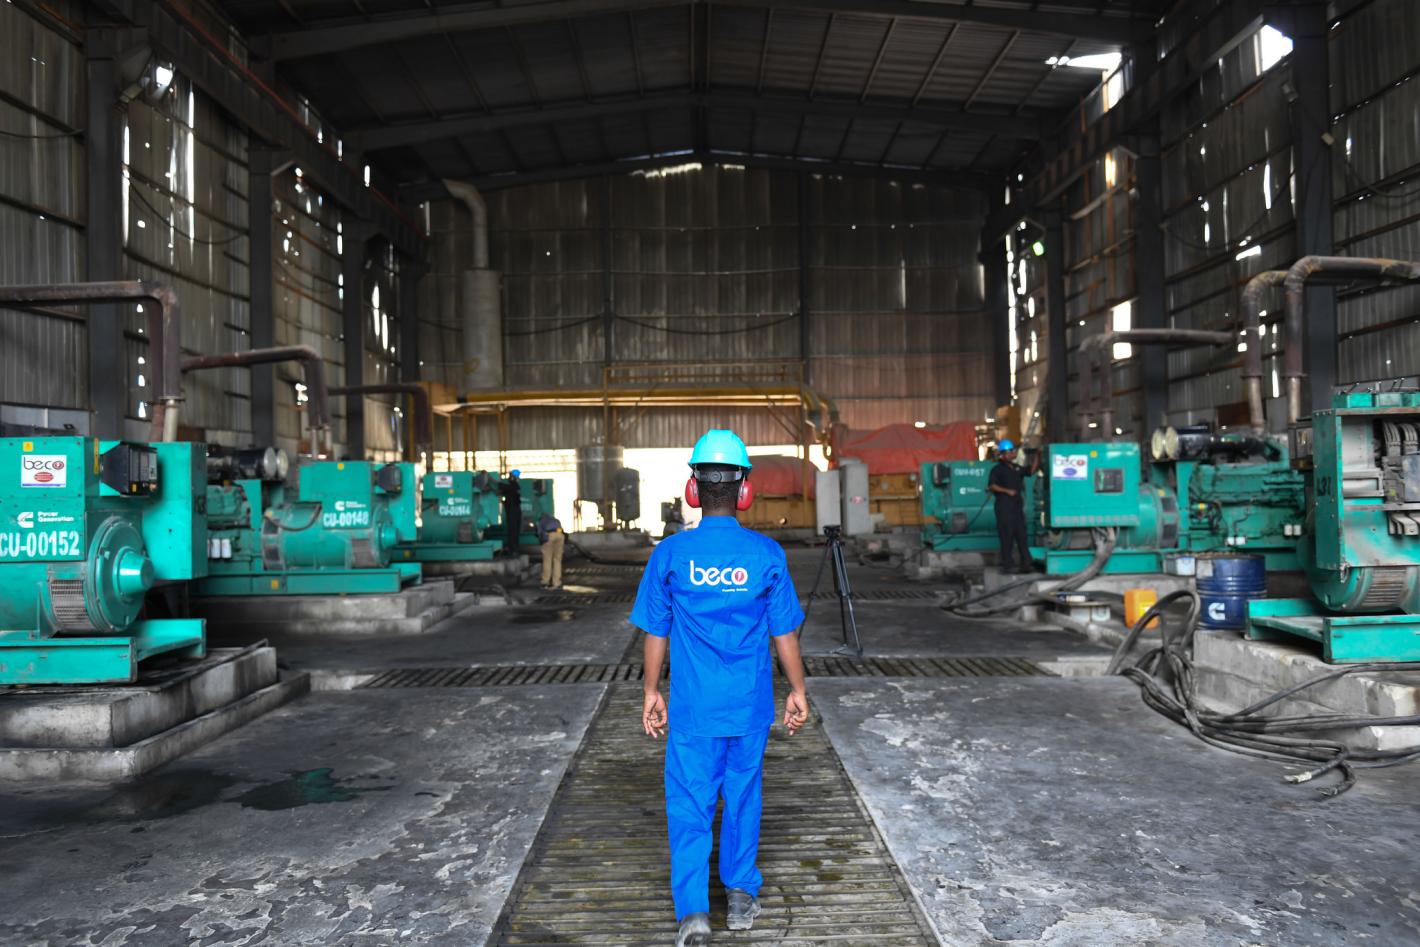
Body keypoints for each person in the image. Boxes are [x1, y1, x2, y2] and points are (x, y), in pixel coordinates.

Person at [630, 429, 809, 947]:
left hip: (693, 710)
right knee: (743, 797)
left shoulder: (670, 555)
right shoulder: (766, 554)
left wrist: (651, 691)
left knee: (689, 805)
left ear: (693, 489)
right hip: (749, 708)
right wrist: (797, 690)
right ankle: (741, 896)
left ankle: (693, 915)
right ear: (744, 490)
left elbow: (656, 631)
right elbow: (784, 634)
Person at [987, 439, 1033, 574]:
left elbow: (1030, 471)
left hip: (1017, 509)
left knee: (1021, 536)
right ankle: (1008, 564)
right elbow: (992, 486)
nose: (1012, 453)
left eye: (1013, 451)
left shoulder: (1016, 468)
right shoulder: (997, 470)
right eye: (1010, 451)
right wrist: (1007, 491)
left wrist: (1038, 455)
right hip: (1004, 509)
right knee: (1007, 537)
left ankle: (1026, 563)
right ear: (1002, 455)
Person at [536, 510, 564, 590]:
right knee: (557, 560)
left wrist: (541, 542)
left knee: (547, 560)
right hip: (560, 535)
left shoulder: (541, 521)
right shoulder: (555, 520)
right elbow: (561, 529)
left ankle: (545, 582)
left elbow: (539, 533)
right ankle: (557, 583)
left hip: (549, 536)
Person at [497, 469, 522, 558]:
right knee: (513, 532)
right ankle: (513, 549)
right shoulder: (514, 487)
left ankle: (513, 550)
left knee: (513, 532)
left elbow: (501, 486)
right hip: (514, 512)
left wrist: (491, 479)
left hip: (513, 513)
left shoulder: (514, 487)